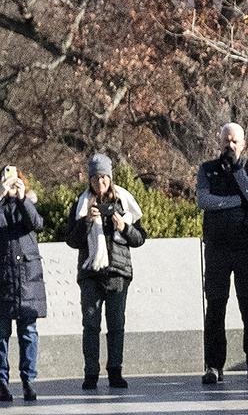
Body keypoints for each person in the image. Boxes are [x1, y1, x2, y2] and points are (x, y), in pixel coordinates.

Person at [65, 154, 146, 390]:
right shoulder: (82, 204)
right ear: (89, 180)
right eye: (94, 178)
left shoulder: (123, 202)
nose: (99, 183)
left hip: (118, 271)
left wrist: (124, 226)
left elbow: (140, 238)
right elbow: (71, 240)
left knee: (116, 324)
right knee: (90, 323)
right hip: (90, 272)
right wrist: (87, 222)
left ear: (110, 178)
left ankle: (115, 371)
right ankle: (91, 372)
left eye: (103, 178)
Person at [197, 122, 248, 385]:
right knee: (216, 307)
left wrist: (238, 171)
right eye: (226, 140)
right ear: (220, 142)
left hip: (246, 248)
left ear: (243, 143)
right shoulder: (208, 169)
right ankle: (214, 365)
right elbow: (203, 200)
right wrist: (233, 202)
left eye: (234, 141)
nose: (230, 145)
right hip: (217, 248)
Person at [0, 167, 45, 402]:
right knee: (0, 334)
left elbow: (37, 224)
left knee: (29, 333)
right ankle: (1, 382)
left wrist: (21, 198)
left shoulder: (28, 203)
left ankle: (28, 380)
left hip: (28, 279)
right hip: (3, 279)